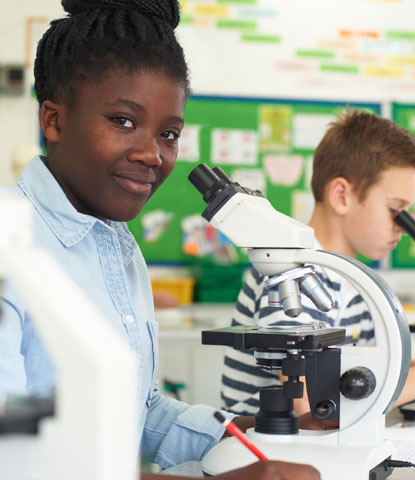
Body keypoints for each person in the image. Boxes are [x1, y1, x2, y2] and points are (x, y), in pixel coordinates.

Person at [0, 1, 322, 479]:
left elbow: (138, 410)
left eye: (169, 133)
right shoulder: (11, 250)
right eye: (123, 121)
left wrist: (245, 434)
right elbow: (15, 458)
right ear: (54, 121)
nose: (153, 155)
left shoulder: (121, 249)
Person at [221, 110, 415, 416]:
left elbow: (363, 374)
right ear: (342, 196)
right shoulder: (290, 272)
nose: (405, 226)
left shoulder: (354, 280)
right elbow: (311, 405)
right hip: (270, 456)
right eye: (397, 210)